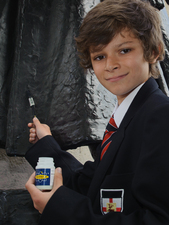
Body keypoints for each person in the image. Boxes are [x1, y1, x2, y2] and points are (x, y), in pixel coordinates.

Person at [25, 0, 169, 224]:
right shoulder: (127, 116)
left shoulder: (161, 117)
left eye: (124, 50)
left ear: (152, 52)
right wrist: (47, 144)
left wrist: (58, 207)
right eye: (99, 56)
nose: (111, 64)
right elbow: (92, 183)